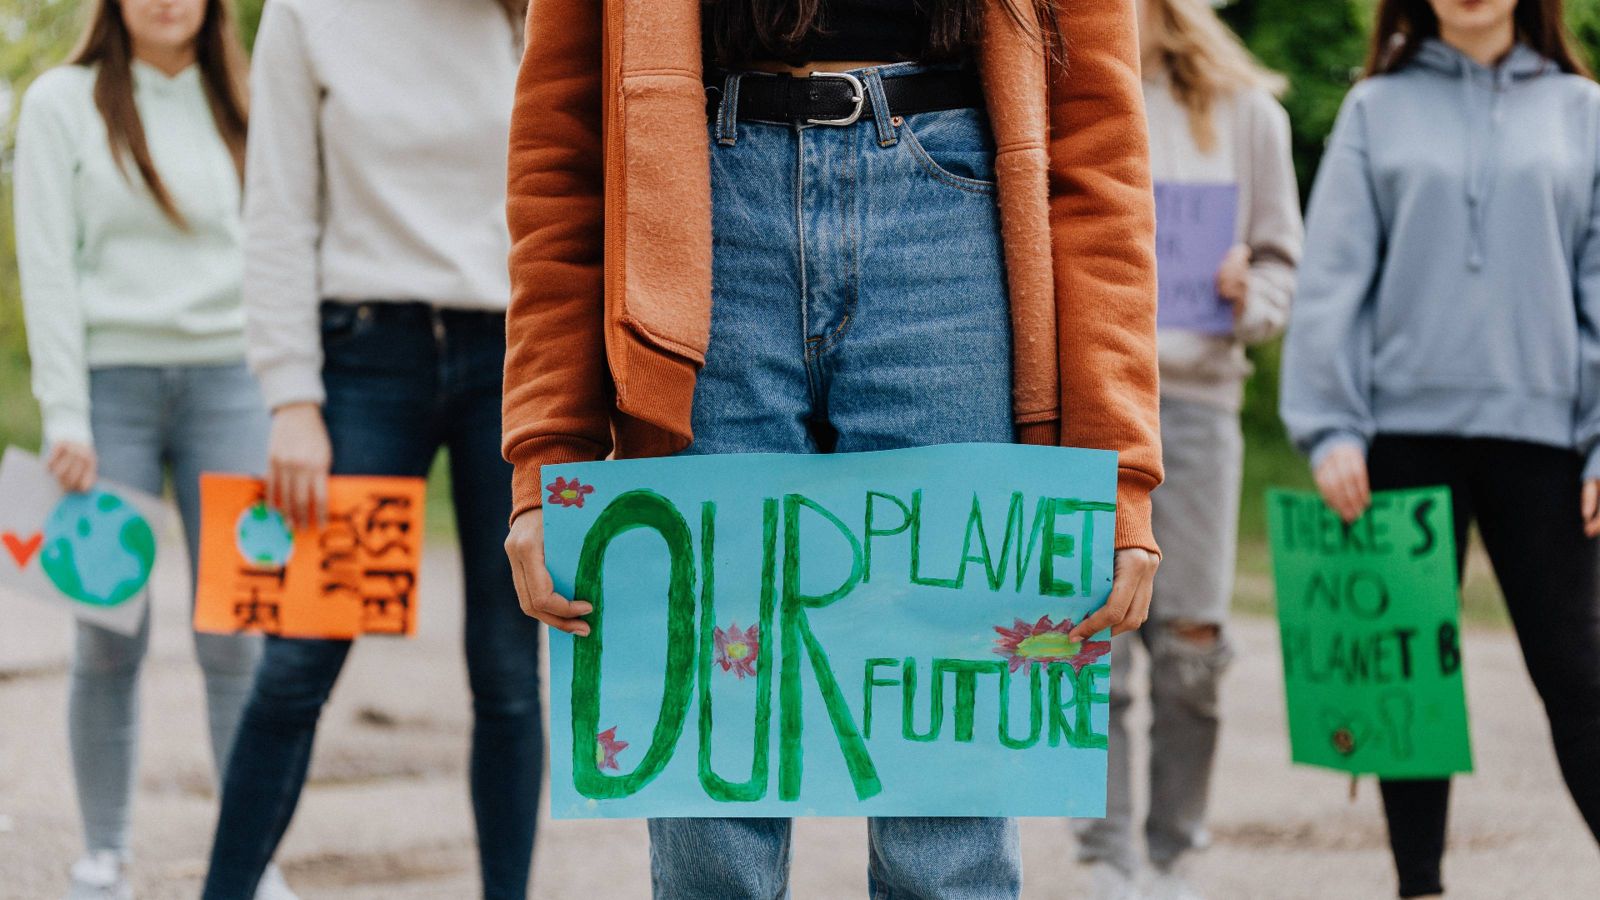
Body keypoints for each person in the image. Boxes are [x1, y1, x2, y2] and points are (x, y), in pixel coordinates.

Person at [501, 0, 1163, 895]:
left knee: (948, 801)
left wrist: (1118, 470)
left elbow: (1099, 143)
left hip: (952, 207)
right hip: (700, 213)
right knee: (711, 771)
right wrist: (548, 452)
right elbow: (561, 146)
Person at [198, 2, 540, 898]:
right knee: (300, 658)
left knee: (507, 673)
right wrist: (291, 398)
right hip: (364, 358)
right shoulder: (309, 14)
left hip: (512, 357)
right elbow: (277, 210)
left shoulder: (534, 13)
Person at [1281, 0, 1600, 896]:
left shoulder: (1585, 112)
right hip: (1399, 440)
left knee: (1578, 675)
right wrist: (1329, 424)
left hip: (1547, 442)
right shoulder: (1374, 110)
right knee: (1408, 687)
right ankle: (1418, 886)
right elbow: (1332, 278)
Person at [11, 2, 291, 897]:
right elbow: (49, 263)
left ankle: (252, 860)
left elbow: (289, 251)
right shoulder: (62, 102)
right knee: (106, 634)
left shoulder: (250, 103)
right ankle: (104, 852)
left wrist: (295, 399)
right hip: (110, 392)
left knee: (238, 637)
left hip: (232, 387)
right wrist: (65, 414)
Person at [1075, 2, 1302, 898]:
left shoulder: (1250, 114)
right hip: (1089, 410)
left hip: (1199, 403)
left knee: (1192, 645)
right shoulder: (1067, 88)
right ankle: (1106, 856)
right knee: (1098, 638)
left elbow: (1284, 264)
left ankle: (1171, 852)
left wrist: (1253, 295)